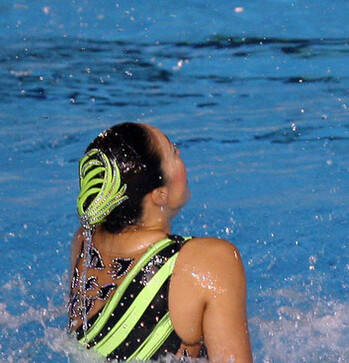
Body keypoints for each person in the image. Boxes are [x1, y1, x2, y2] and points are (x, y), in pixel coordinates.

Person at [68, 122, 253, 362]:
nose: (180, 153)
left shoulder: (85, 241)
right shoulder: (210, 261)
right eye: (173, 152)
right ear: (160, 194)